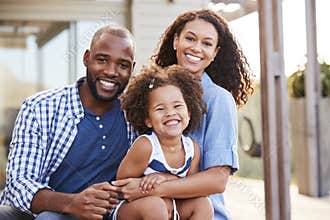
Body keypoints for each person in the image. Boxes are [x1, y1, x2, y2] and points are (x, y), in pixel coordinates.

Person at [112, 9, 254, 220]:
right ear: (176, 41)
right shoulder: (153, 91)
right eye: (190, 38)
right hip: (150, 210)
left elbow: (217, 180)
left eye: (207, 43)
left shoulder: (218, 100)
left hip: (200, 212)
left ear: (215, 52)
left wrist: (151, 188)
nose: (196, 48)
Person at [0, 24, 136, 220]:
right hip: (50, 212)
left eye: (122, 65)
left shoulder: (136, 116)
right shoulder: (40, 108)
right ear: (86, 58)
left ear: (132, 68)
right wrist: (72, 203)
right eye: (102, 60)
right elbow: (18, 184)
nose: (111, 71)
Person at [113, 64, 213, 220]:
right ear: (148, 120)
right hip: (132, 210)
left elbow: (191, 187)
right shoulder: (146, 146)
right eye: (160, 109)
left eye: (178, 106)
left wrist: (165, 178)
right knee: (155, 206)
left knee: (203, 204)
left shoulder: (192, 149)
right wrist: (148, 185)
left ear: (189, 112)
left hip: (170, 208)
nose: (170, 113)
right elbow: (122, 185)